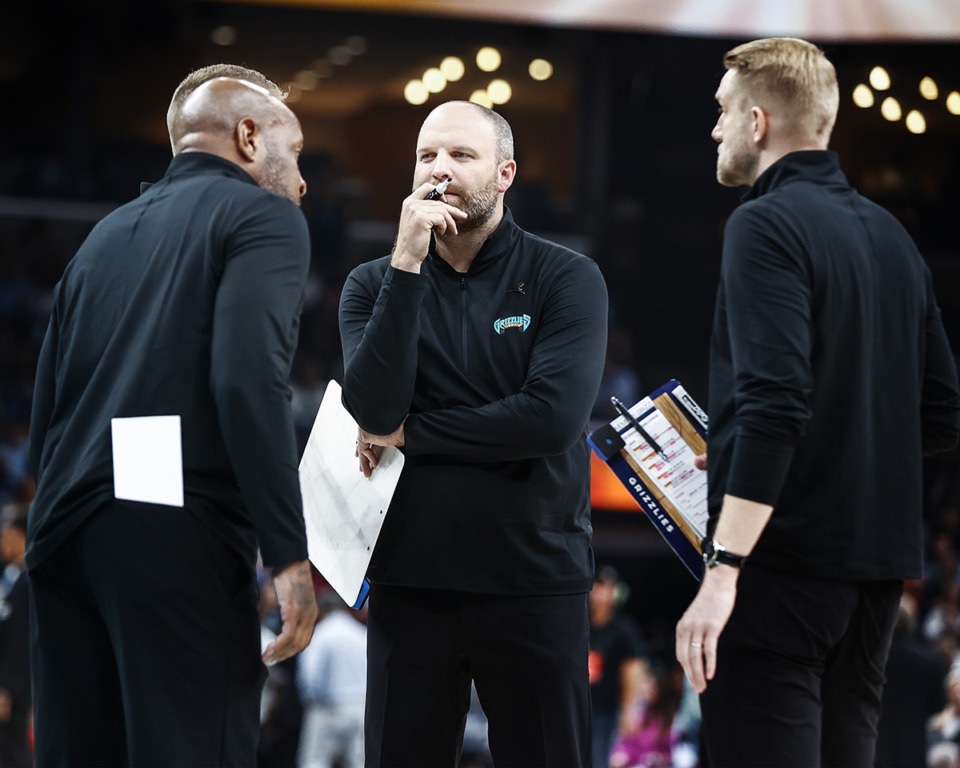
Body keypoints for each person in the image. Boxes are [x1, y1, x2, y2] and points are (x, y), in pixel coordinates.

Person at [674, 37, 960, 767]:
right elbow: (939, 413)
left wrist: (722, 569)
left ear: (759, 123)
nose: (715, 128)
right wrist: (764, 449)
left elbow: (776, 403)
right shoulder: (895, 237)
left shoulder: (762, 223)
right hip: (874, 580)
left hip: (782, 569)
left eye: (723, 112)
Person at [27, 72, 318, 765]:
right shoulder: (263, 216)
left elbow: (47, 407)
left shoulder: (102, 235)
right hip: (173, 531)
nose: (302, 180)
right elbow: (248, 384)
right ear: (249, 136)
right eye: (296, 148)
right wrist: (287, 554)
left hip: (63, 534)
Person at [339, 100, 608, 766]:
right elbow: (374, 412)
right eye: (427, 156)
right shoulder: (372, 284)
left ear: (505, 173)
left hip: (535, 579)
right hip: (412, 578)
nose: (440, 171)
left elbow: (551, 419)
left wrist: (415, 431)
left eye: (462, 155)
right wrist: (406, 264)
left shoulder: (565, 278)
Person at [297, 590, 368, 768]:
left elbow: (310, 675)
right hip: (359, 707)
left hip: (327, 707)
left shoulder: (321, 633)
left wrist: (309, 699)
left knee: (315, 762)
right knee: (359, 763)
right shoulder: (362, 634)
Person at [589, 565, 648, 768]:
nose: (600, 593)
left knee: (600, 760)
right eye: (597, 586)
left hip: (607, 710)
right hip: (580, 707)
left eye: (606, 587)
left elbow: (633, 670)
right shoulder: (579, 625)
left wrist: (629, 710)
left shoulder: (623, 629)